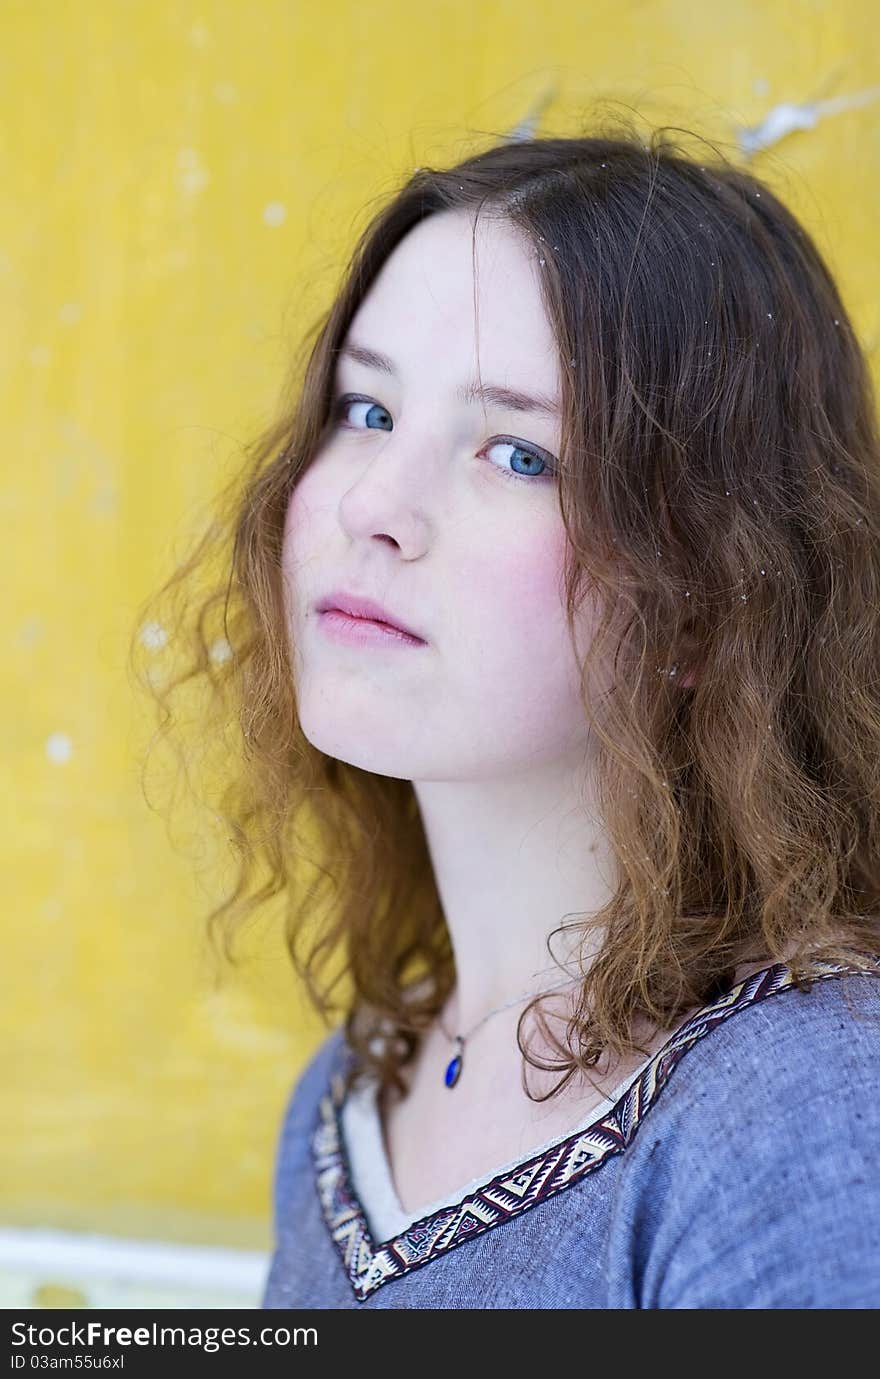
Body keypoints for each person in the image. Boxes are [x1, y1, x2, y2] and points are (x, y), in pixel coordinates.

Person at [133, 124, 880, 1308]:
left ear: (705, 595)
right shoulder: (345, 1102)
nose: (374, 503)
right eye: (364, 410)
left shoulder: (803, 1107)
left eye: (517, 453)